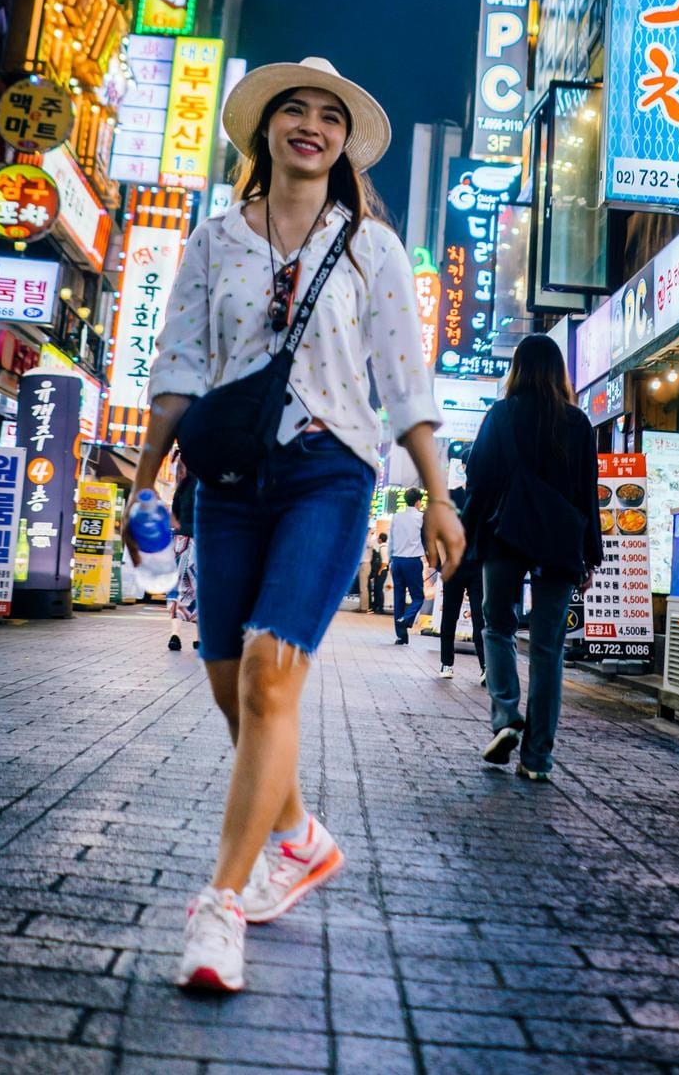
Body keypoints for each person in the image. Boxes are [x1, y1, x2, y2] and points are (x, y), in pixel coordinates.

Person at [122, 56, 464, 994]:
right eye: (293, 111)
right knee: (235, 688)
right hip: (224, 477)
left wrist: (437, 495)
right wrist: (145, 481)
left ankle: (220, 906)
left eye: (329, 116)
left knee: (275, 676)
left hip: (330, 472)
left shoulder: (373, 249)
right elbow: (180, 364)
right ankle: (299, 836)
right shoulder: (212, 240)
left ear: (345, 143)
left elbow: (404, 381)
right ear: (264, 129)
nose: (311, 125)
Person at [463, 334, 601, 783]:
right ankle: (537, 759)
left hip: (505, 534)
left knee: (497, 626)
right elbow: (587, 493)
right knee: (547, 650)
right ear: (559, 371)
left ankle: (506, 718)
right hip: (561, 541)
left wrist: (463, 532)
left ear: (517, 368)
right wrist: (590, 555)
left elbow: (479, 480)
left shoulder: (500, 415)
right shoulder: (578, 423)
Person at [437, 480, 485, 681]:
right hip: (454, 566)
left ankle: (486, 667)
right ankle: (446, 663)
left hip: (477, 566)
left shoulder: (486, 497)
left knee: (480, 618)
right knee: (449, 616)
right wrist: (443, 562)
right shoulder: (452, 496)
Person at [388, 488, 427, 644]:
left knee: (399, 598)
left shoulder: (396, 517)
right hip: (412, 561)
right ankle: (407, 618)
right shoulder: (421, 518)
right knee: (418, 597)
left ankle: (401, 636)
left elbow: (391, 540)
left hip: (397, 560)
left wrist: (390, 560)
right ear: (418, 502)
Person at [168, 459, 199, 654]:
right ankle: (199, 639)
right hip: (204, 541)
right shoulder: (215, 482)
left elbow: (174, 514)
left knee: (179, 588)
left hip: (181, 541)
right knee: (201, 590)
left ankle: (175, 635)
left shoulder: (184, 484)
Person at [370, 531, 389, 612]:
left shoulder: (383, 548)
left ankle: (380, 607)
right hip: (382, 571)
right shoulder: (384, 547)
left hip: (382, 571)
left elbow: (385, 561)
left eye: (378, 538)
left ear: (381, 539)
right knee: (377, 589)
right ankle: (377, 606)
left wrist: (380, 571)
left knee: (379, 589)